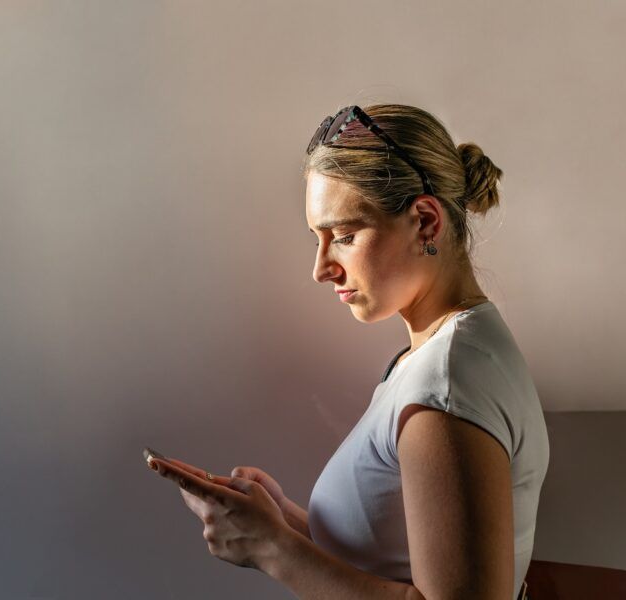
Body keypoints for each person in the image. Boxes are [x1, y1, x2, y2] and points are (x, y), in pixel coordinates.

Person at [147, 104, 548, 600]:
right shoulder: (445, 355)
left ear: (425, 221)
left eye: (344, 236)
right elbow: (388, 559)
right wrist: (283, 522)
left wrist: (272, 548)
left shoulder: (446, 388)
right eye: (318, 239)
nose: (321, 268)